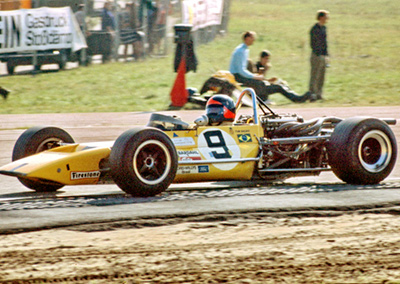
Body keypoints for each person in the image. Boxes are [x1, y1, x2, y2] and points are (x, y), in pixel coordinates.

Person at [229, 31, 310, 104]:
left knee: (270, 84)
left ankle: (294, 97)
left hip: (239, 75)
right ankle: (295, 98)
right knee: (262, 83)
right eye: (252, 37)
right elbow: (241, 70)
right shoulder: (241, 51)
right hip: (237, 76)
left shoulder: (244, 49)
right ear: (247, 38)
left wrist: (256, 76)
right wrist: (255, 76)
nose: (254, 39)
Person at [309, 10, 330, 101]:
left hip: (323, 55)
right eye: (326, 17)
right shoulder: (314, 29)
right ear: (321, 17)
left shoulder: (324, 28)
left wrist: (326, 54)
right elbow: (313, 43)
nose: (327, 19)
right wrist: (318, 53)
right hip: (316, 55)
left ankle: (319, 93)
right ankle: (312, 93)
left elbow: (325, 42)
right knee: (315, 75)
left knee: (322, 75)